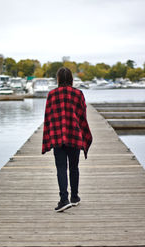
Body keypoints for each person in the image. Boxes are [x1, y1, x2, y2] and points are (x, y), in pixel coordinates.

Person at [42, 67, 92, 212]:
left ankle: (64, 199)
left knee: (61, 168)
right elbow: (83, 115)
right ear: (71, 79)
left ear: (58, 79)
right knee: (74, 167)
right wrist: (84, 134)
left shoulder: (52, 94)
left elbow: (48, 117)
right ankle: (74, 197)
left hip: (58, 136)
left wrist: (48, 137)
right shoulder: (78, 94)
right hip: (74, 135)